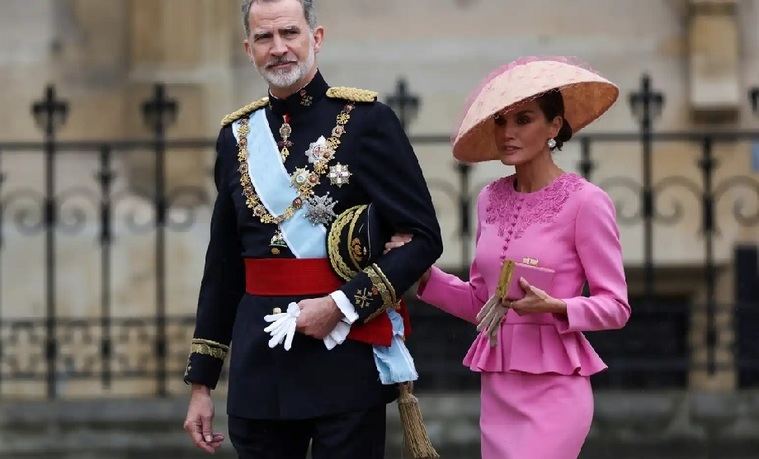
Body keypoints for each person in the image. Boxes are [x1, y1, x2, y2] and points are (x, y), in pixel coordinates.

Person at [181, 1, 442, 458]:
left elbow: (423, 238)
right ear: (248, 49)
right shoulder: (236, 136)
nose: (278, 48)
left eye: (289, 33)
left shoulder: (367, 122)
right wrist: (202, 381)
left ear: (315, 38)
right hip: (260, 366)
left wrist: (341, 305)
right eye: (264, 38)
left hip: (343, 358)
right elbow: (223, 266)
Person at [403, 57, 631, 458]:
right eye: (500, 121)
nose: (508, 133)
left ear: (554, 126)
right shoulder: (490, 198)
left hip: (557, 393)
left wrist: (557, 306)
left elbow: (615, 307)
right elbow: (480, 301)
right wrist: (422, 275)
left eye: (523, 119)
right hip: (499, 391)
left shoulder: (587, 202)